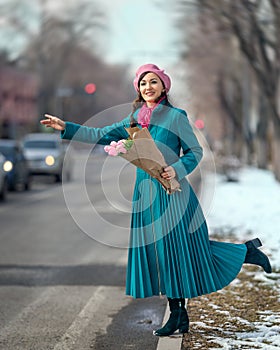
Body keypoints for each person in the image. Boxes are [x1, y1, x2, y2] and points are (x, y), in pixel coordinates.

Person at [41, 63, 272, 337]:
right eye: (142, 83)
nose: (147, 87)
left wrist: (177, 168)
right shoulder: (134, 118)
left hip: (173, 193)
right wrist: (66, 127)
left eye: (153, 82)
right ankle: (180, 315)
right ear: (137, 89)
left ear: (164, 86)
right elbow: (99, 134)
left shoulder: (176, 116)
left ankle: (243, 254)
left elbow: (195, 151)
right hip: (146, 196)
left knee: (181, 251)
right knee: (163, 256)